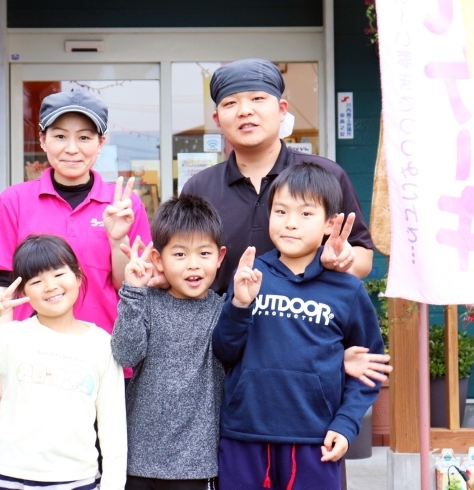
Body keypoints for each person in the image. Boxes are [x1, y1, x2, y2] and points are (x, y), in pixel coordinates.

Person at [212, 162, 384, 490]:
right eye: (281, 211)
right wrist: (240, 305)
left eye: (306, 214)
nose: (290, 224)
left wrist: (347, 424)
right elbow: (224, 351)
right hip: (243, 436)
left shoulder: (346, 290)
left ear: (329, 223)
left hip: (314, 440)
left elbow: (369, 369)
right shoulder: (251, 275)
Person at [0, 88, 151, 392]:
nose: (72, 148)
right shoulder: (14, 201)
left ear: (100, 143)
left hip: (106, 355)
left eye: (84, 137)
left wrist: (117, 240)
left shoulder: (124, 204)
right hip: (31, 361)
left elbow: (130, 287)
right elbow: (4, 288)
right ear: (43, 140)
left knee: (106, 441)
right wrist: (0, 369)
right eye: (60, 136)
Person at [0, 235, 127, 490]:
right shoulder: (12, 336)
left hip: (75, 480)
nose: (50, 286)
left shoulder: (102, 344)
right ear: (24, 292)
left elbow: (112, 428)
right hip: (6, 477)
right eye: (36, 281)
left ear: (78, 276)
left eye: (59, 274)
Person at [181, 58, 375, 295]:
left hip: (307, 326)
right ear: (217, 119)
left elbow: (362, 253)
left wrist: (345, 261)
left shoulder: (326, 176)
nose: (245, 111)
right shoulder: (199, 188)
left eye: (258, 99)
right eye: (230, 103)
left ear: (282, 109)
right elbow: (181, 261)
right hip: (223, 326)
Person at [111, 195, 226, 490]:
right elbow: (124, 353)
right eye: (179, 255)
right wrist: (133, 293)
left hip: (196, 465)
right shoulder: (146, 302)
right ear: (157, 259)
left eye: (204, 253)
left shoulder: (224, 311)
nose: (193, 266)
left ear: (220, 257)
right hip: (139, 460)